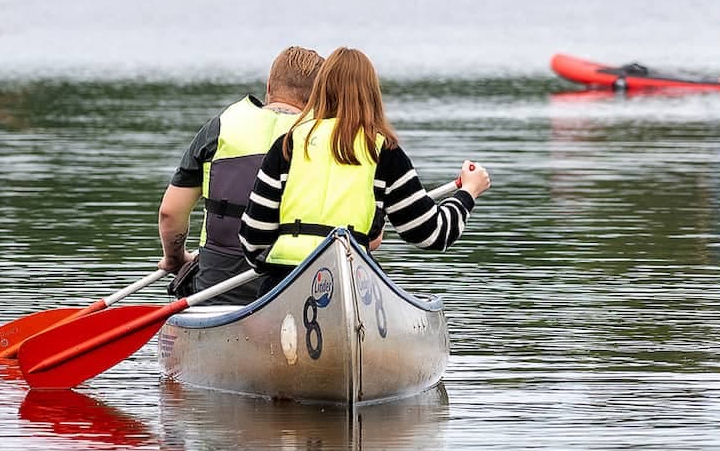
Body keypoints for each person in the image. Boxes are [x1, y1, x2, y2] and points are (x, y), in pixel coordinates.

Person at [238, 47, 489, 286]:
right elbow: (433, 234)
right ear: (372, 94)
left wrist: (268, 268)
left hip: (285, 277)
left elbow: (252, 237)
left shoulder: (289, 144)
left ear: (321, 90)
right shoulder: (384, 152)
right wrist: (468, 192)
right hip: (352, 278)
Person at [159, 45, 324, 303]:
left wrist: (176, 259)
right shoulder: (328, 138)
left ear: (269, 85)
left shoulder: (221, 127)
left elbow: (170, 213)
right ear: (320, 95)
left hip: (218, 289)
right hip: (301, 289)